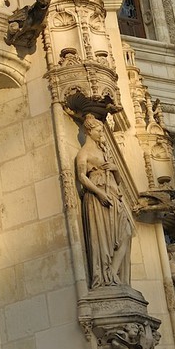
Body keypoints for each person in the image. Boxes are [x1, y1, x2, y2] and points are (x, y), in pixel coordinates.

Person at [75, 115, 134, 288]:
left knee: (127, 233)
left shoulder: (103, 151)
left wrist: (115, 169)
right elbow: (81, 177)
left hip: (114, 195)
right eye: (99, 130)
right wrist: (99, 193)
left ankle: (114, 273)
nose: (101, 133)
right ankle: (107, 276)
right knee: (104, 240)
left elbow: (119, 180)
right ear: (89, 131)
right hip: (98, 198)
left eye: (102, 130)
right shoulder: (84, 153)